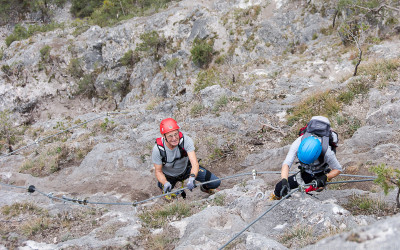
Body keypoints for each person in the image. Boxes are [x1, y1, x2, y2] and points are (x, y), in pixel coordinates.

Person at [271, 116, 342, 200]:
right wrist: (284, 181)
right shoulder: (298, 143)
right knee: (279, 187)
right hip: (306, 171)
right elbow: (286, 163)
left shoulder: (327, 152)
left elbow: (338, 169)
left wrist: (326, 177)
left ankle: (321, 183)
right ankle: (275, 198)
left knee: (314, 190)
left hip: (320, 171)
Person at [152, 118, 221, 198]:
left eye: (176, 134)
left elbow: (194, 163)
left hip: (186, 169)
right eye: (170, 136)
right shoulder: (158, 149)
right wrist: (165, 182)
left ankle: (206, 188)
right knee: (167, 196)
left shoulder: (185, 141)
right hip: (168, 175)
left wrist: (192, 177)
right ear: (164, 136)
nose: (174, 138)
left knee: (215, 182)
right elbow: (158, 171)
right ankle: (166, 192)